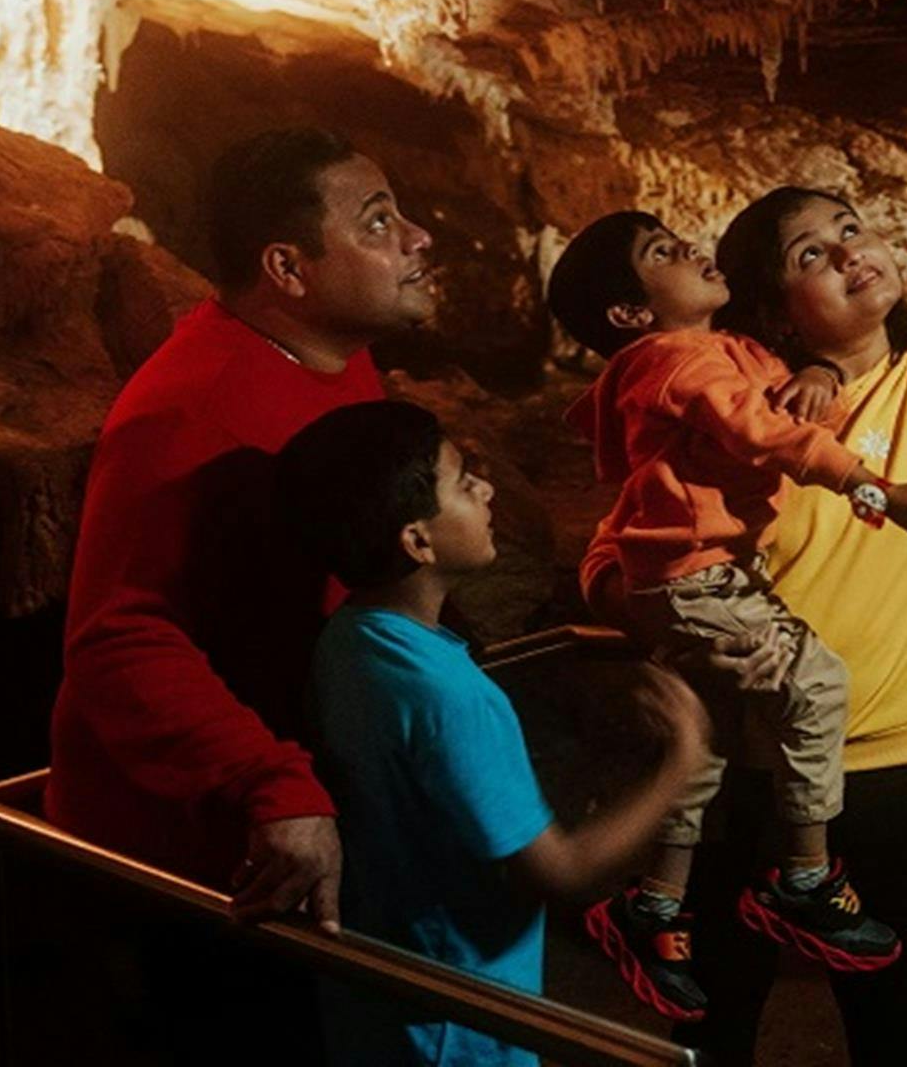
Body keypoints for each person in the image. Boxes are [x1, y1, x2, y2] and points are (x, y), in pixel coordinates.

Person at [579, 0, 907, 1066]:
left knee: (887, 1016)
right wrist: (627, 607)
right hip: (747, 764)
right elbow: (627, 546)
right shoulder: (734, 412)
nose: (849, 251)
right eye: (811, 254)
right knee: (713, 1014)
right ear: (775, 309)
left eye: (848, 227)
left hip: (899, 761)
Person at [544, 213, 907, 1021]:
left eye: (679, 237)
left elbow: (778, 393)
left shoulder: (723, 351)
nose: (691, 250)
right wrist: (879, 493)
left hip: (703, 575)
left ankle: (655, 903)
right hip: (693, 579)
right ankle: (803, 878)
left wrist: (817, 373)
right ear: (634, 314)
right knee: (815, 683)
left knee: (703, 743)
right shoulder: (671, 362)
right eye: (663, 254)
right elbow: (772, 438)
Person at [48, 126, 434, 927]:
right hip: (198, 851)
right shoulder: (192, 414)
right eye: (376, 223)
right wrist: (272, 785)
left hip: (311, 774)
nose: (417, 238)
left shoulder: (334, 357)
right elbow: (120, 638)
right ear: (287, 268)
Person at [281, 400, 710, 1067]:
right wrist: (681, 758)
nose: (485, 489)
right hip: (463, 1029)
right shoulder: (451, 698)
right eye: (460, 481)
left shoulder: (349, 641)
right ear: (416, 541)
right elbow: (559, 871)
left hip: (380, 1008)